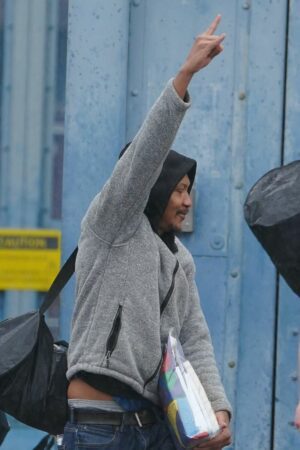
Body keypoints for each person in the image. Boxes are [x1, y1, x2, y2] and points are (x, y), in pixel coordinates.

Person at [61, 15, 232, 450]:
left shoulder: (180, 260)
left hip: (155, 429)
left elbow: (195, 338)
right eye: (179, 190)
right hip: (101, 427)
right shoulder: (113, 223)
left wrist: (218, 411)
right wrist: (185, 75)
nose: (187, 201)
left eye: (190, 191)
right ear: (153, 189)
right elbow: (144, 158)